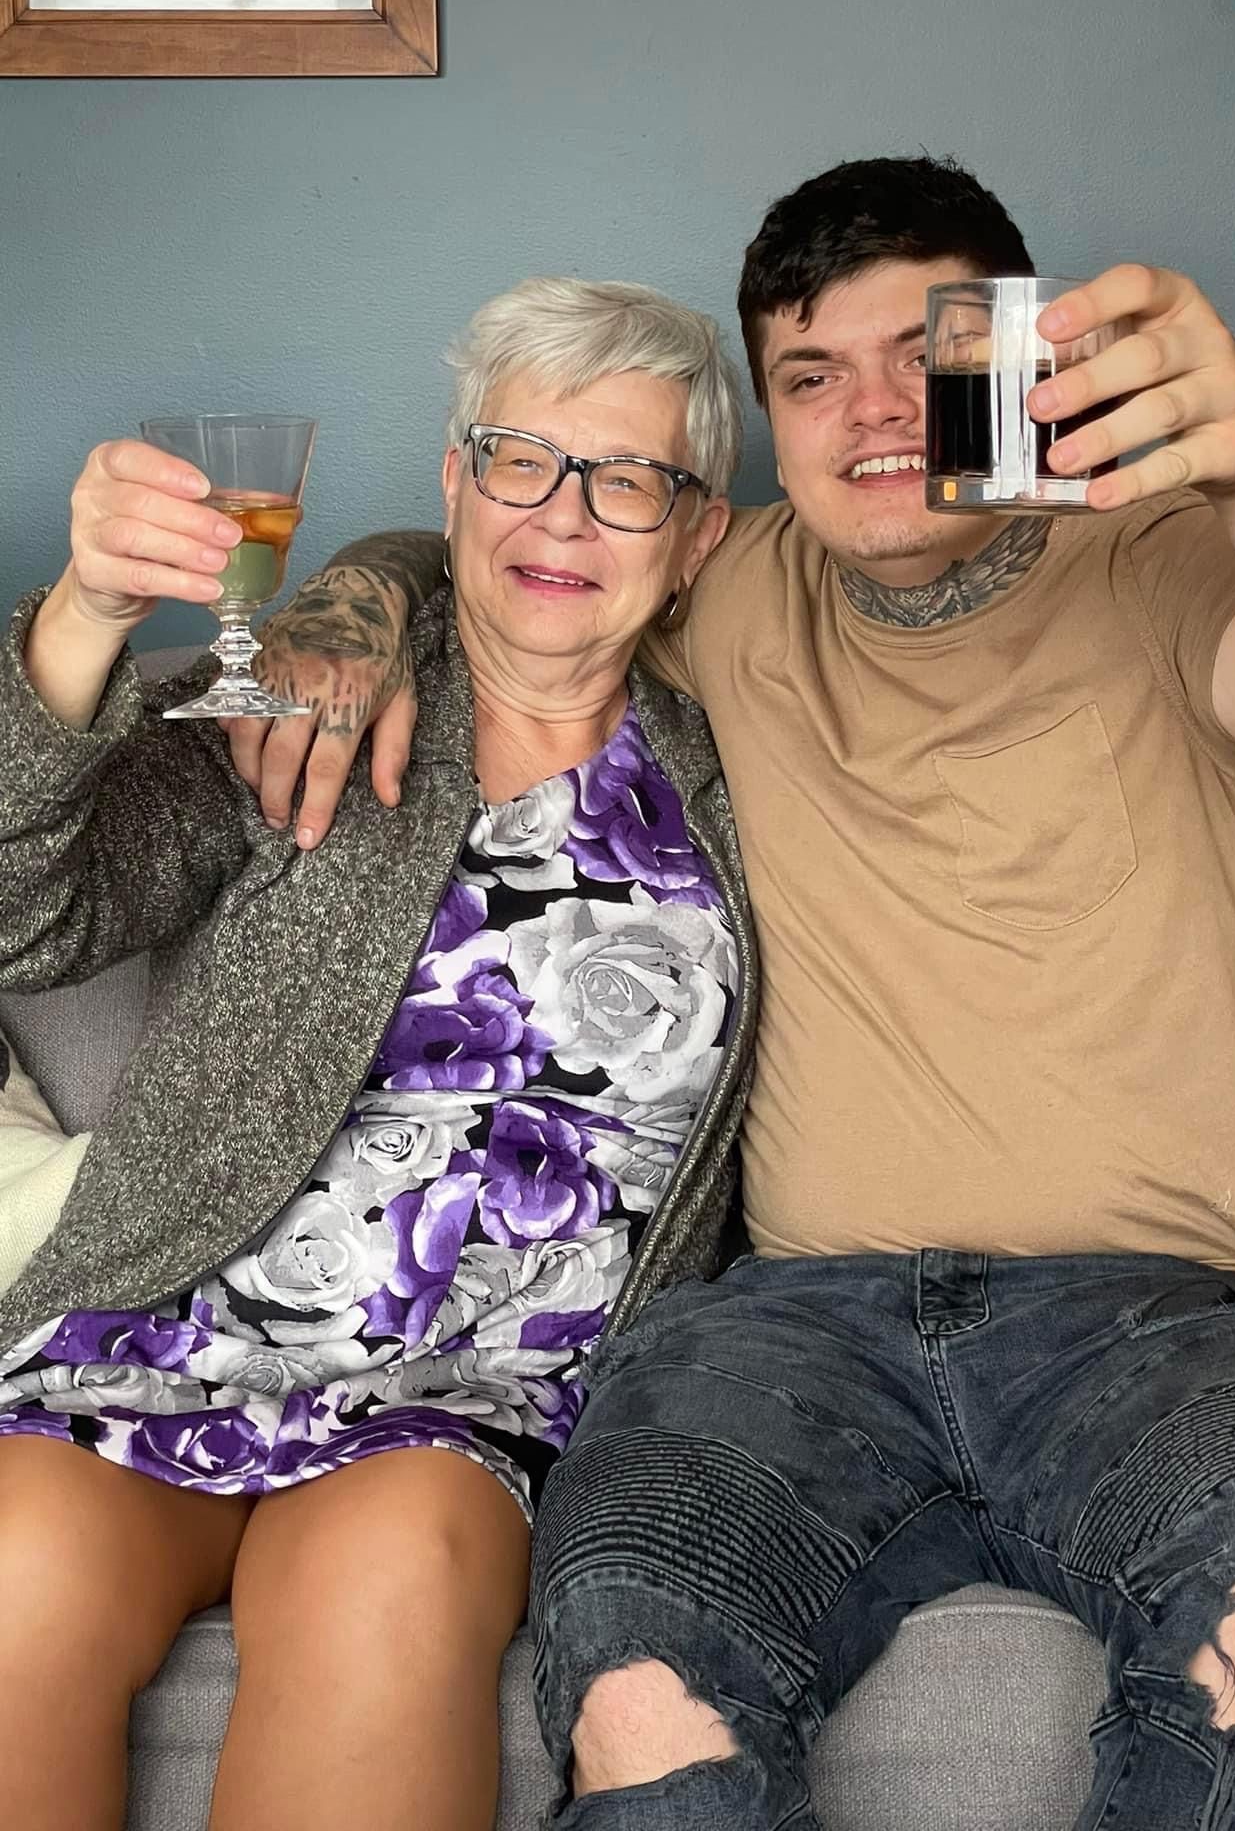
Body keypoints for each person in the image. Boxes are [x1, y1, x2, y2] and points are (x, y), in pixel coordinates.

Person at [229, 158, 1235, 1831]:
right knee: (628, 1646)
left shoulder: (1171, 562)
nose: (876, 413)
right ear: (763, 427)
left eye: (930, 356)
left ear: (1029, 360)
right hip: (795, 1324)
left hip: (1183, 1318)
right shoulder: (726, 586)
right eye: (812, 377)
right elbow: (522, 527)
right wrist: (355, 595)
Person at [0, 279, 752, 1831]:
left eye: (629, 481)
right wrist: (82, 616)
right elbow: (29, 917)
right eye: (519, 459)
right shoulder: (313, 700)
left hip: (474, 1396)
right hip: (167, 1322)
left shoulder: (757, 761)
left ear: (700, 537)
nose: (563, 515)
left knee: (382, 1587)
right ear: (454, 482)